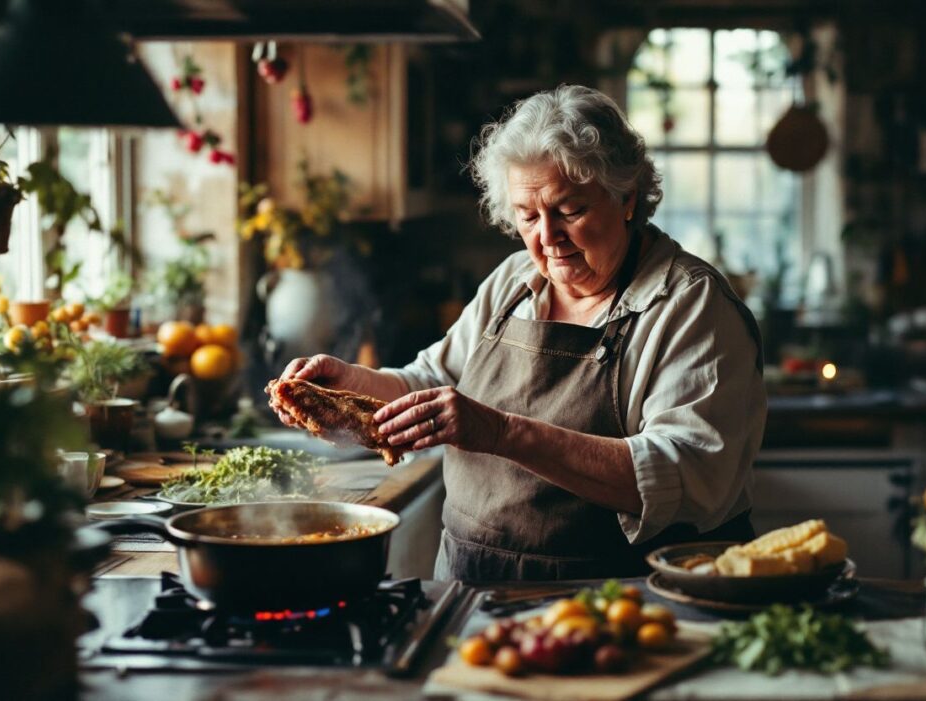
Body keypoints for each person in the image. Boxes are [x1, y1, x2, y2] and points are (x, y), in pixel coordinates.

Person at [278, 85, 767, 581]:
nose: (547, 237)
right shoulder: (513, 281)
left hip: (616, 599)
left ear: (626, 198)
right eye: (528, 216)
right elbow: (430, 385)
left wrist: (502, 433)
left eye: (570, 211)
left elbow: (687, 474)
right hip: (472, 586)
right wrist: (346, 386)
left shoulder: (689, 305)